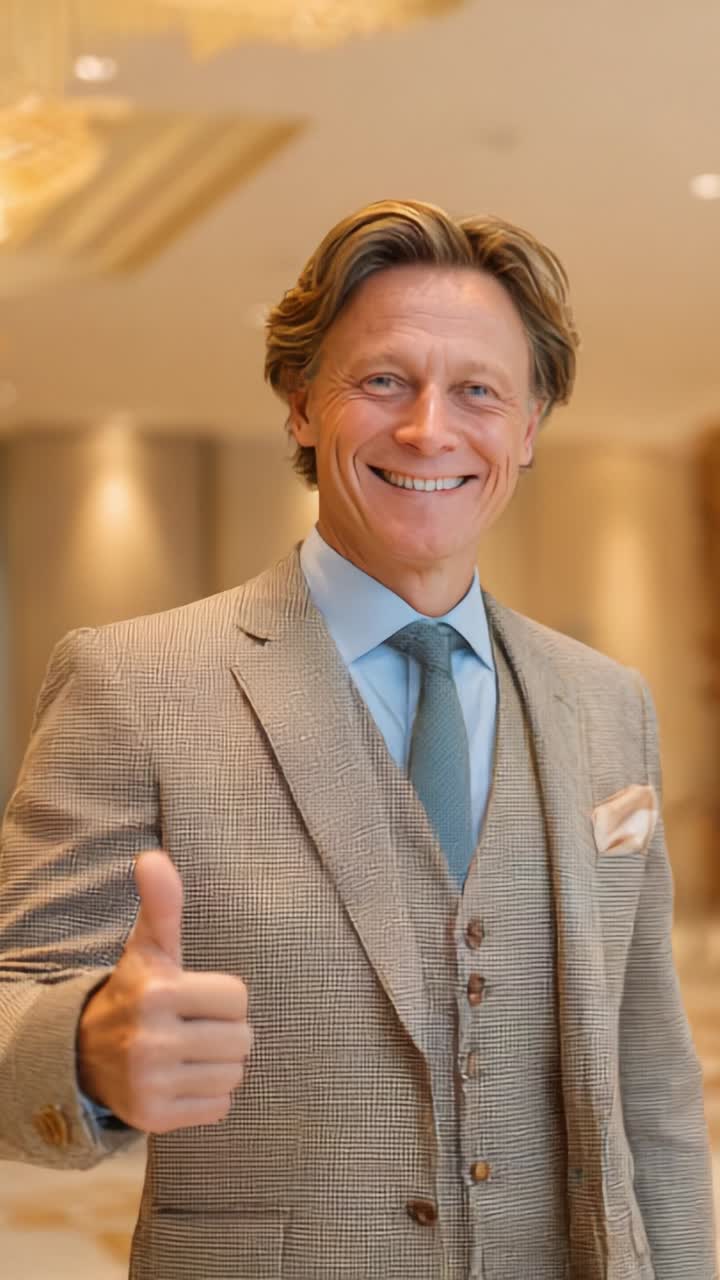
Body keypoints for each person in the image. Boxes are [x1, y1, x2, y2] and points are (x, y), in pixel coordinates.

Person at [0, 199, 715, 1280]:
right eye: (384, 380)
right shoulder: (132, 681)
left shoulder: (608, 702)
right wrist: (86, 1048)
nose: (431, 428)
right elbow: (17, 992)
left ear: (526, 429)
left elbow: (651, 1077)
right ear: (301, 404)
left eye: (479, 390)